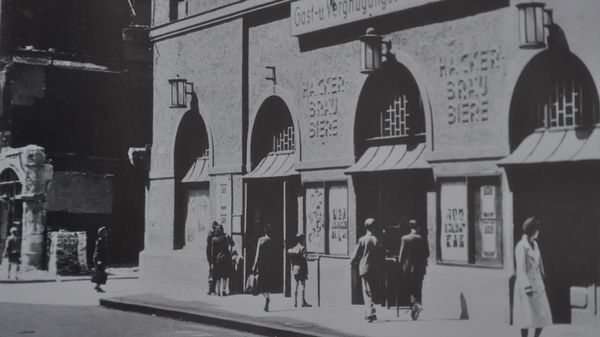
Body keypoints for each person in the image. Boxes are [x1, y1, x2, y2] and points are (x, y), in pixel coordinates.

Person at [514, 217, 552, 337]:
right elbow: (521, 269)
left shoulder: (535, 244)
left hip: (538, 284)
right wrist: (527, 287)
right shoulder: (521, 246)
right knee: (527, 316)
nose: (538, 232)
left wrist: (543, 274)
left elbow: (539, 262)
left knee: (542, 315)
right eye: (536, 229)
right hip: (527, 285)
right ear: (532, 231)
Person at [351, 218, 384, 322]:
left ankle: (371, 313)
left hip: (364, 268)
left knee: (367, 291)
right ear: (373, 227)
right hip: (375, 268)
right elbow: (381, 255)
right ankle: (369, 312)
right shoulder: (376, 239)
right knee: (372, 290)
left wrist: (352, 262)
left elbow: (355, 255)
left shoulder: (362, 240)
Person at [398, 219, 429, 320]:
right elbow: (427, 254)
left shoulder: (405, 238)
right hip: (419, 267)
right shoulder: (422, 238)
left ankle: (415, 305)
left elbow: (401, 256)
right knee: (418, 288)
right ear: (418, 227)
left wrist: (400, 264)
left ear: (410, 227)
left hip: (407, 268)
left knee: (408, 287)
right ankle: (416, 307)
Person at [253, 223, 277, 312]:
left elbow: (257, 254)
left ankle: (267, 298)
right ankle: (267, 298)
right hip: (269, 266)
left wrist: (254, 265)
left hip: (262, 266)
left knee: (261, 285)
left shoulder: (261, 240)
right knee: (267, 284)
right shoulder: (272, 241)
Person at [288, 233, 311, 308]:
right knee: (303, 285)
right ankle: (302, 301)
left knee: (296, 285)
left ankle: (295, 302)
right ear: (302, 239)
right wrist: (311, 258)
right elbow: (306, 257)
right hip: (302, 269)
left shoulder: (294, 248)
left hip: (295, 269)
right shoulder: (302, 248)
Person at [209, 224, 232, 296]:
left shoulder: (214, 239)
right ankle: (224, 290)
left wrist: (212, 262)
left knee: (218, 276)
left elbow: (212, 252)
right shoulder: (225, 237)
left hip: (217, 260)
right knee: (225, 276)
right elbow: (232, 244)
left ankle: (218, 291)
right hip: (225, 259)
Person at [91, 226, 109, 292]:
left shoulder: (103, 240)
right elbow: (97, 251)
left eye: (106, 232)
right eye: (104, 232)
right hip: (99, 259)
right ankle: (97, 287)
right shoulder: (100, 240)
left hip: (102, 259)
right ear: (101, 233)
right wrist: (98, 260)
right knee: (100, 273)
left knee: (101, 273)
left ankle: (97, 286)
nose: (105, 233)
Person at [206, 221, 219, 295]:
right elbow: (209, 249)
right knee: (212, 273)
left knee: (212, 273)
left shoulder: (211, 235)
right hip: (212, 258)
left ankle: (211, 289)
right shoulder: (212, 235)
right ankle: (211, 289)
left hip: (212, 257)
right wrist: (210, 261)